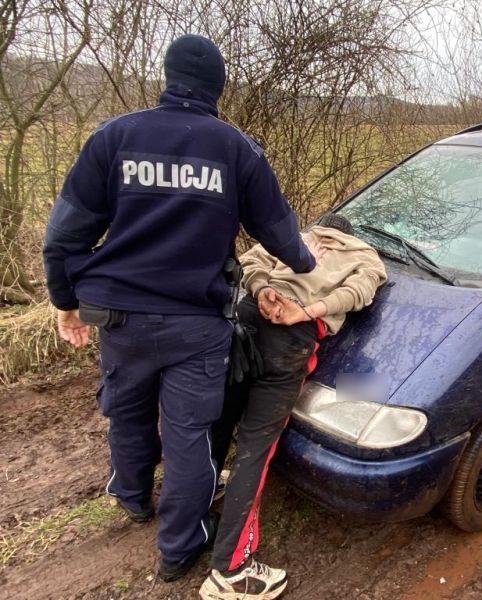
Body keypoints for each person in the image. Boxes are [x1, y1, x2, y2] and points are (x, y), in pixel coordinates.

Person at [42, 34, 319, 582]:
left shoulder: (115, 136)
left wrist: (65, 304)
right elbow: (284, 237)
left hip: (120, 319)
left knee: (128, 410)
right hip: (197, 325)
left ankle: (131, 495)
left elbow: (63, 238)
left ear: (167, 78)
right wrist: (307, 262)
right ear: (218, 88)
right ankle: (177, 548)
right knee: (190, 435)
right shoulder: (237, 149)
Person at [199, 213, 386, 600]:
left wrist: (264, 289)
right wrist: (306, 311)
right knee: (255, 450)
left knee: (218, 421)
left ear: (324, 228)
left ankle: (195, 514)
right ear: (347, 234)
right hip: (291, 339)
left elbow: (248, 263)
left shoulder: (294, 238)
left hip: (247, 321)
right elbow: (359, 294)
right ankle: (231, 571)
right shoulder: (366, 256)